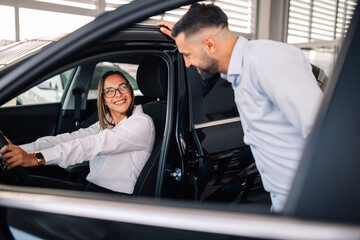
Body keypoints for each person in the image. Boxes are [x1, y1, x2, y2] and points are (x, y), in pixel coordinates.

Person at [158, 3, 323, 212]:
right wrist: (186, 37)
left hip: (307, 202)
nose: (187, 63)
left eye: (187, 54)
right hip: (284, 200)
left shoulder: (267, 61)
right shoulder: (239, 67)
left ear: (209, 45)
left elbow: (322, 133)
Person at [0, 71, 155, 195]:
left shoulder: (141, 123)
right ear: (104, 100)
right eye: (109, 91)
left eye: (122, 87)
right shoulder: (108, 122)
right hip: (92, 190)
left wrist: (36, 159)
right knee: (21, 184)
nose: (118, 94)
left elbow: (91, 145)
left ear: (130, 89)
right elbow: (69, 139)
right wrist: (19, 150)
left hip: (114, 201)